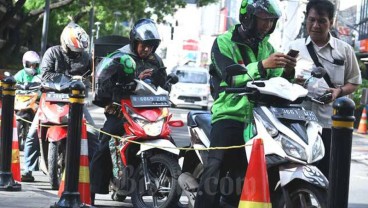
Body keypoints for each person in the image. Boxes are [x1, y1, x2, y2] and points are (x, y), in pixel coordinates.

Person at [194, 0, 297, 207]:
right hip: (230, 114)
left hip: (261, 118)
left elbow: (277, 80)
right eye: (263, 20)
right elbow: (229, 76)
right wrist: (261, 65)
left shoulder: (267, 47)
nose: (267, 25)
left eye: (271, 21)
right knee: (215, 169)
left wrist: (288, 71)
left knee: (265, 169)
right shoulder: (224, 42)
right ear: (248, 16)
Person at [90, 18, 168, 197]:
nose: (147, 49)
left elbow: (165, 84)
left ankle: (167, 188)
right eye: (144, 45)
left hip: (149, 110)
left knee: (167, 137)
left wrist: (160, 80)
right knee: (104, 143)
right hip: (120, 109)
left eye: (151, 46)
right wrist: (131, 81)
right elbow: (103, 83)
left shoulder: (156, 61)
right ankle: (92, 191)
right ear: (135, 42)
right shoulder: (118, 57)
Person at [286, 0, 362, 179]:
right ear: (306, 19)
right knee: (298, 175)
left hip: (331, 125)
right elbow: (281, 81)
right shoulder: (294, 47)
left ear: (331, 22)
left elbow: (354, 81)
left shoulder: (344, 50)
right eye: (311, 20)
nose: (315, 25)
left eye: (321, 21)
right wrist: (291, 79)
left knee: (330, 175)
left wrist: (338, 92)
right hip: (300, 124)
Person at [21, 22, 99, 184]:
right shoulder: (52, 53)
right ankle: (28, 169)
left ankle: (92, 170)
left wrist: (91, 79)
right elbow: (46, 75)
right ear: (66, 44)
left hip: (75, 102)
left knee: (93, 133)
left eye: (79, 51)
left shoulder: (85, 57)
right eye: (73, 50)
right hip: (50, 98)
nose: (77, 54)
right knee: (31, 134)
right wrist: (69, 79)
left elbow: (92, 77)